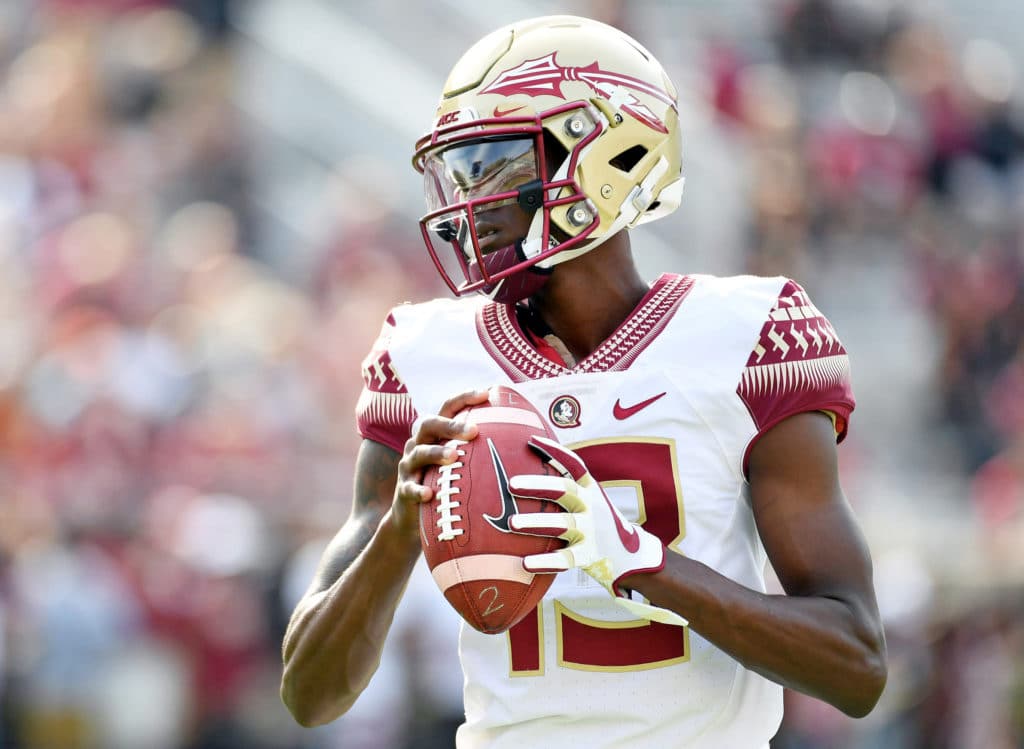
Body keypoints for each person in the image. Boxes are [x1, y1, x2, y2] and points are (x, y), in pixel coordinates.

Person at [280, 14, 887, 748]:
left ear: (607, 155)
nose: (469, 201)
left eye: (497, 165)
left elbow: (856, 663)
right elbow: (310, 693)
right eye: (461, 170)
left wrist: (642, 563)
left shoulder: (749, 335)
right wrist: (401, 533)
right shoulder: (422, 356)